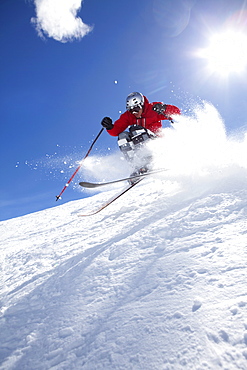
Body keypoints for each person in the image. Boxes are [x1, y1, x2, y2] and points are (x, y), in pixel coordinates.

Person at [101, 92, 180, 183]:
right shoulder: (128, 116)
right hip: (140, 143)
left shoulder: (152, 108)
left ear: (142, 104)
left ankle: (148, 162)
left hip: (156, 142)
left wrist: (164, 108)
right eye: (131, 110)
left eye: (136, 108)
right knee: (122, 136)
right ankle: (137, 166)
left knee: (136, 129)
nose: (134, 112)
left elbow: (177, 112)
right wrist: (110, 127)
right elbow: (116, 131)